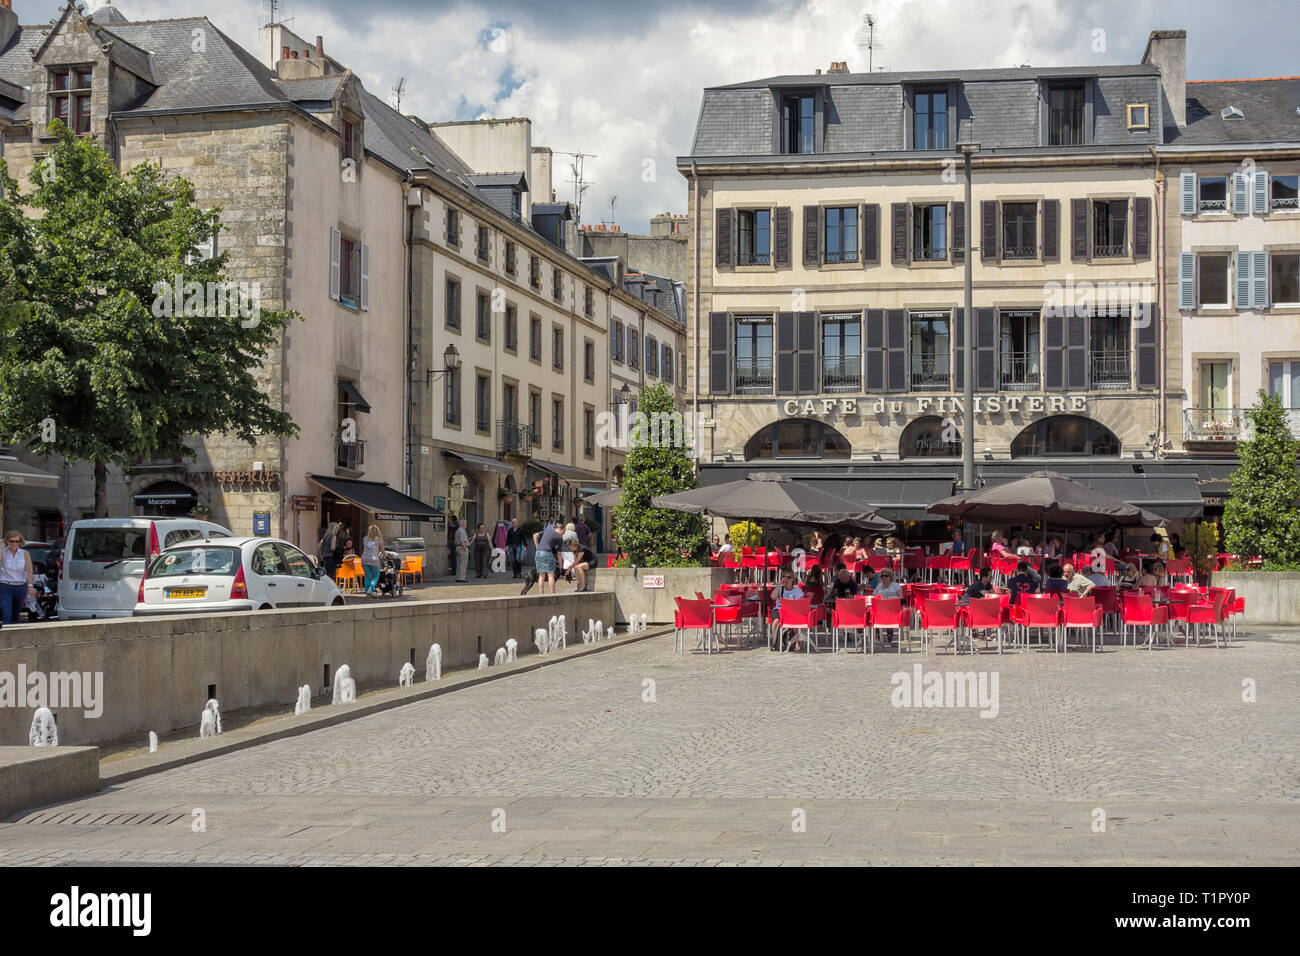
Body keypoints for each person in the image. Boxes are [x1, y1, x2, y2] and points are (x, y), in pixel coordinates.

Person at [0, 531, 36, 626]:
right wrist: (2, 546)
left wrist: (30, 586)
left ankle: (13, 638)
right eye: (11, 541)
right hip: (5, 586)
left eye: (17, 541)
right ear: (7, 541)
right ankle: (6, 637)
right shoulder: (3, 552)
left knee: (16, 616)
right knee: (6, 613)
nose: (14, 543)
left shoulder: (24, 553)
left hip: (20, 587)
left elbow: (29, 571)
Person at [770, 570, 807, 650]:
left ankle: (796, 642)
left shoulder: (797, 590)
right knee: (776, 621)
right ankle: (775, 642)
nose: (786, 579)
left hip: (792, 611)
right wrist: (779, 584)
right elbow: (773, 597)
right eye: (784, 576)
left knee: (795, 622)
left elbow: (802, 603)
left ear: (793, 579)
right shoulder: (780, 589)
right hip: (779, 610)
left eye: (789, 577)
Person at [529, 519, 561, 595]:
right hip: (547, 553)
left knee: (541, 575)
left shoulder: (547, 531)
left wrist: (537, 546)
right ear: (560, 529)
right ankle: (552, 594)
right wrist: (560, 565)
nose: (563, 534)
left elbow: (535, 535)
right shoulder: (559, 537)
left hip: (538, 553)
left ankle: (541, 594)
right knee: (550, 575)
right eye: (563, 531)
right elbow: (559, 554)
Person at [360, 524, 385, 595]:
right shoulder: (378, 539)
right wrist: (386, 555)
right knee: (376, 576)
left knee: (367, 577)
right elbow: (382, 550)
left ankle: (367, 594)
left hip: (364, 558)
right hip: (373, 559)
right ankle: (371, 589)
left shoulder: (365, 539)